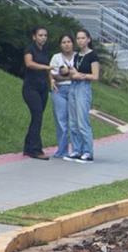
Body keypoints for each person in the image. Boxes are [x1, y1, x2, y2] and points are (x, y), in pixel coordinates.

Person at [56, 30, 98, 159]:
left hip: (83, 87)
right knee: (73, 121)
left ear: (88, 39)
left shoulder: (92, 56)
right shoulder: (77, 56)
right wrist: (68, 72)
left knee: (82, 120)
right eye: (78, 38)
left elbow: (95, 76)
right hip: (73, 85)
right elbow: (73, 71)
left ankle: (88, 151)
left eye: (83, 38)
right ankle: (76, 149)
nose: (80, 41)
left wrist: (82, 76)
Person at [19, 27, 54, 158]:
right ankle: (35, 149)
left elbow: (48, 70)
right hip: (30, 88)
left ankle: (28, 146)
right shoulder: (30, 49)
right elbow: (29, 63)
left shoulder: (46, 51)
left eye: (45, 35)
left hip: (43, 88)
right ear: (34, 36)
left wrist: (51, 81)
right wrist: (45, 67)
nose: (43, 38)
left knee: (37, 117)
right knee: (37, 115)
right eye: (40, 35)